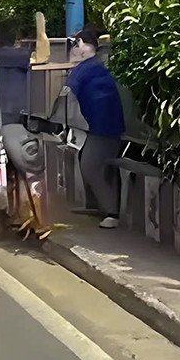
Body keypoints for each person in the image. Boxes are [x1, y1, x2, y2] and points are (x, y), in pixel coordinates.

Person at [65, 26, 126, 229]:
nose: (72, 50)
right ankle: (99, 206)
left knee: (91, 166)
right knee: (90, 161)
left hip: (104, 128)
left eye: (74, 44)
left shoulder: (85, 69)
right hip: (103, 126)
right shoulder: (94, 66)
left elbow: (64, 97)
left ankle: (112, 213)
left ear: (81, 44)